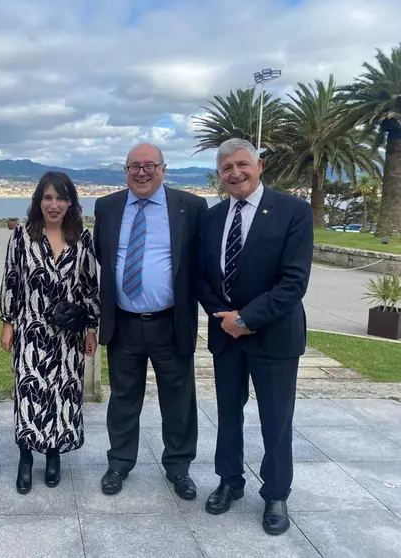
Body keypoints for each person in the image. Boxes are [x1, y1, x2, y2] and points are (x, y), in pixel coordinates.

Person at [197, 138, 313, 535]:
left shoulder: (293, 211)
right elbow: (202, 276)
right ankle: (229, 480)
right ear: (220, 175)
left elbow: (294, 282)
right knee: (228, 417)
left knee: (275, 421)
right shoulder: (212, 219)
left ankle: (276, 493)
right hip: (227, 337)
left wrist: (246, 318)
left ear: (259, 165)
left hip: (274, 337)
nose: (235, 173)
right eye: (226, 168)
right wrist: (225, 318)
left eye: (241, 164)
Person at [93, 143, 207, 498]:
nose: (141, 172)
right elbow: (102, 253)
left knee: (179, 400)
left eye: (149, 165)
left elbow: (200, 262)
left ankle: (179, 467)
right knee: (124, 398)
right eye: (133, 167)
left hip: (171, 322)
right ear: (125, 171)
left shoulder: (191, 206)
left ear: (163, 169)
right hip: (123, 323)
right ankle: (119, 464)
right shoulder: (107, 207)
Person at [0, 171, 100, 494]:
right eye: (47, 198)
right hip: (31, 329)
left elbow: (88, 286)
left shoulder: (82, 238)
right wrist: (7, 322)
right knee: (30, 393)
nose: (53, 204)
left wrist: (90, 328)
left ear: (70, 202)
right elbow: (12, 280)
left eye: (60, 198)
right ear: (38, 201)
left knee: (63, 394)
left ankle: (54, 453)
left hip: (68, 333)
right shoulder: (22, 235)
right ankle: (26, 457)